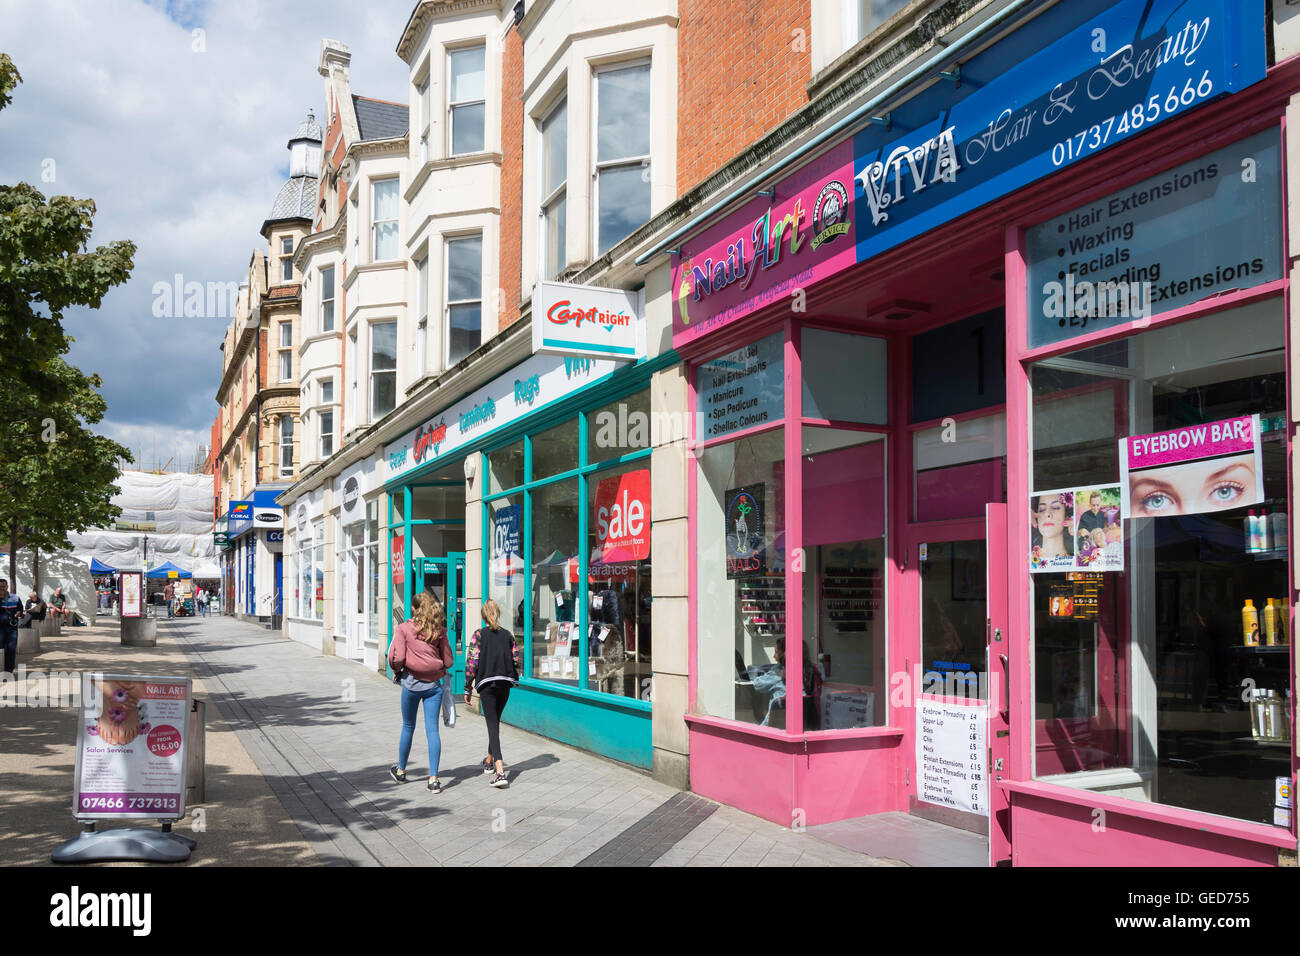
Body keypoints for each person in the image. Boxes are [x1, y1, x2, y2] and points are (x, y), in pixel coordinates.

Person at [386, 592, 454, 793]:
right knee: (432, 730)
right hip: (433, 686)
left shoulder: (404, 629)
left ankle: (401, 771)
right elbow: (449, 661)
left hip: (411, 684)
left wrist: (397, 670)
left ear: (414, 609)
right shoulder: (439, 631)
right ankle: (433, 779)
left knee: (408, 726)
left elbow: (396, 659)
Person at [464, 599, 520, 789]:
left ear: (483, 616)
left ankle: (500, 772)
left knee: (492, 726)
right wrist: (515, 676)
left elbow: (472, 661)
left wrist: (467, 687)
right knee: (494, 723)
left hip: (487, 684)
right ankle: (489, 761)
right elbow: (516, 659)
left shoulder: (479, 635)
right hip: (504, 683)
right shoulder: (508, 635)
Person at [0, 579, 23, 675]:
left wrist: (19, 613)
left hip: (12, 627)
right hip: (0, 628)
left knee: (11, 648)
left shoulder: (15, 597)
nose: (2, 589)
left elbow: (21, 609)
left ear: (7, 587)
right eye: (0, 587)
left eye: (3, 586)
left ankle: (9, 671)